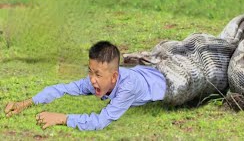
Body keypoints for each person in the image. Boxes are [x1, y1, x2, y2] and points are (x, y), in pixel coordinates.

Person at [4, 41, 167, 131]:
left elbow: (100, 122)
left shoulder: (128, 87)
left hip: (165, 79)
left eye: (97, 74)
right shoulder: (100, 79)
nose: (92, 79)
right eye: (90, 72)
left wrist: (62, 118)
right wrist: (26, 103)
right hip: (145, 70)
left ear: (114, 77)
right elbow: (62, 88)